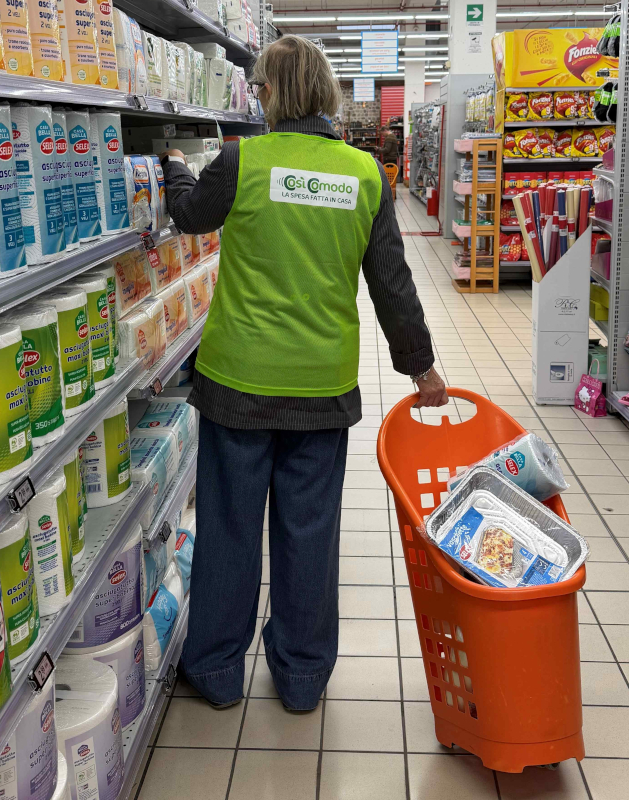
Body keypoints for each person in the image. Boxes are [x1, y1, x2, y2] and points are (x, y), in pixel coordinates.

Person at [160, 34, 446, 712]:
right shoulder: (364, 175)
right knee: (309, 534)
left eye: (258, 88)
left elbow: (190, 214)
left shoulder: (242, 160)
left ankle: (218, 672)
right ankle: (300, 676)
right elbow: (392, 284)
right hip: (320, 387)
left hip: (238, 383)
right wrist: (421, 367)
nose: (254, 98)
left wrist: (172, 166)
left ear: (271, 94)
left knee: (230, 527)